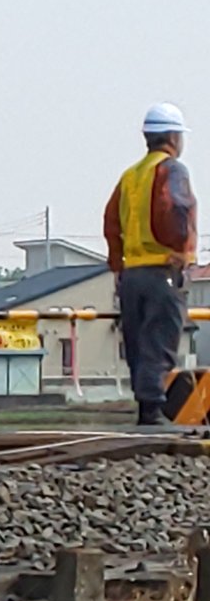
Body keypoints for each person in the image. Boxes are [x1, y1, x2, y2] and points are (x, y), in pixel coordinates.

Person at [105, 102, 198, 426]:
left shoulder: (131, 175)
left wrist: (118, 265)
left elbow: (111, 221)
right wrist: (180, 250)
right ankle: (152, 411)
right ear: (173, 137)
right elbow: (176, 207)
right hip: (161, 270)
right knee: (159, 339)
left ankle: (146, 408)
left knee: (138, 341)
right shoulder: (171, 170)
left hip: (132, 274)